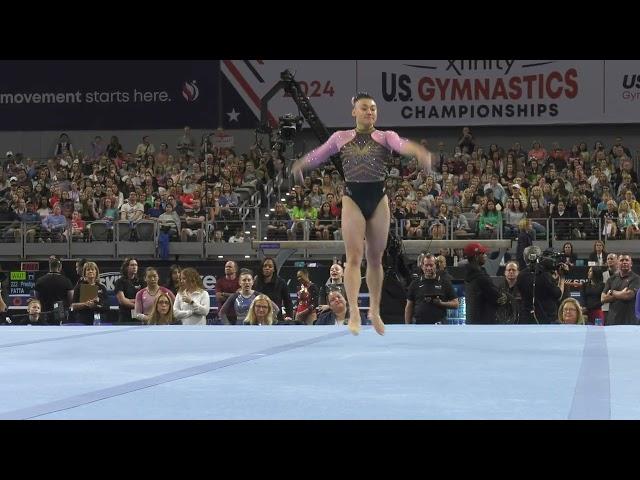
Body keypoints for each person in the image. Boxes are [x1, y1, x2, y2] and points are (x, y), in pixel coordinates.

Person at [291, 92, 433, 335]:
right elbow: (320, 153)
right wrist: (302, 164)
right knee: (354, 257)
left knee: (376, 258)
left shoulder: (385, 136)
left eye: (374, 108)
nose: (370, 112)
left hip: (378, 198)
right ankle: (354, 310)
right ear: (354, 111)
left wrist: (419, 152)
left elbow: (402, 144)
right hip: (352, 198)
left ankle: (374, 311)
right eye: (365, 108)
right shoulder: (341, 137)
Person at [405, 253, 458, 324]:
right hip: (419, 325)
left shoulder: (445, 282)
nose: (429, 268)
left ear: (436, 266)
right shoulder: (415, 283)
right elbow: (409, 307)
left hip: (440, 325)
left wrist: (441, 303)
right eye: (426, 265)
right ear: (422, 266)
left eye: (431, 265)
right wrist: (407, 326)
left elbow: (456, 304)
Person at [516, 247, 565, 324]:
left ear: (525, 258)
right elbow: (558, 295)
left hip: (526, 319)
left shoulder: (520, 276)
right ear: (539, 258)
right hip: (546, 319)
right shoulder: (544, 275)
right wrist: (562, 277)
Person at [463, 243, 506, 324]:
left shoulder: (469, 274)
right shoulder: (481, 278)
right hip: (483, 322)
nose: (486, 255)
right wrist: (503, 297)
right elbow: (497, 297)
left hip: (472, 320)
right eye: (483, 253)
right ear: (476, 256)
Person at [601, 254, 640, 325]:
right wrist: (621, 293)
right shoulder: (611, 279)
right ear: (617, 264)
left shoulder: (636, 278)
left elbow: (628, 295)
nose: (624, 262)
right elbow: (603, 298)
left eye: (627, 260)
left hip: (629, 320)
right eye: (621, 260)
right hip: (612, 320)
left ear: (631, 264)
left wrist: (612, 292)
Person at [34, 256, 74, 324]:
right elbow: (71, 298)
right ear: (60, 267)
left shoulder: (40, 281)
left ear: (50, 267)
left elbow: (36, 297)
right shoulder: (66, 281)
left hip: (44, 312)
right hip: (61, 313)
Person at [253, 257, 293, 324]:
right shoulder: (255, 282)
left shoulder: (281, 283)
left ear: (274, 269)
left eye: (270, 266)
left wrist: (289, 316)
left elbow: (288, 301)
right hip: (258, 318)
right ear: (262, 268)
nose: (267, 268)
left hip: (276, 318)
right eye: (265, 266)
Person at [114, 258, 144, 323]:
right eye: (132, 265)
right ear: (126, 267)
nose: (134, 267)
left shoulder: (141, 281)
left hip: (139, 316)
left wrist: (129, 300)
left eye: (136, 265)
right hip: (125, 315)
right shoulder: (120, 282)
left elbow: (144, 299)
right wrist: (137, 305)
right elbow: (122, 301)